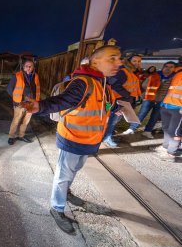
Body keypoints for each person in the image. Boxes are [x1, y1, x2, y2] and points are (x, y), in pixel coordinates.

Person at [21, 45, 121, 234]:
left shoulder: (104, 84)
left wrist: (116, 107)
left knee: (73, 170)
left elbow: (106, 104)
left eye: (119, 58)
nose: (119, 62)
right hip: (73, 139)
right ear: (96, 61)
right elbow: (64, 100)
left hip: (89, 141)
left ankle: (66, 192)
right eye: (113, 58)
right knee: (62, 175)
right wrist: (40, 106)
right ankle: (57, 208)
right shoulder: (83, 82)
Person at [122, 61, 176, 138]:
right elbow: (144, 86)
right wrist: (143, 97)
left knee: (155, 117)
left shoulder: (174, 78)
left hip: (161, 101)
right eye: (167, 66)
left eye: (171, 67)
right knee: (141, 114)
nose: (168, 69)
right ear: (163, 67)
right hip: (148, 99)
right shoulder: (154, 75)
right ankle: (132, 129)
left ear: (174, 69)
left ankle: (147, 131)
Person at [102, 55, 141, 147]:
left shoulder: (129, 71)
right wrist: (127, 95)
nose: (137, 63)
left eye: (139, 61)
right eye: (134, 61)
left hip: (123, 101)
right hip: (118, 102)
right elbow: (114, 85)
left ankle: (107, 135)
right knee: (113, 120)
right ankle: (107, 137)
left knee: (113, 120)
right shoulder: (122, 72)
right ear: (128, 61)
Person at [6, 59, 40, 145]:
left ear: (33, 67)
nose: (28, 68)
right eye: (26, 66)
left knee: (26, 121)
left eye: (30, 66)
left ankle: (21, 135)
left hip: (31, 103)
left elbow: (37, 89)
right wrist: (16, 99)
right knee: (16, 120)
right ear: (23, 67)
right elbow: (9, 89)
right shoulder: (17, 76)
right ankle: (11, 136)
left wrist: (36, 101)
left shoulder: (35, 76)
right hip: (20, 103)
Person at [155, 68, 182, 162]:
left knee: (175, 132)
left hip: (178, 108)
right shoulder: (177, 73)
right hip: (166, 105)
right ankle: (165, 147)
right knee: (166, 128)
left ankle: (171, 153)